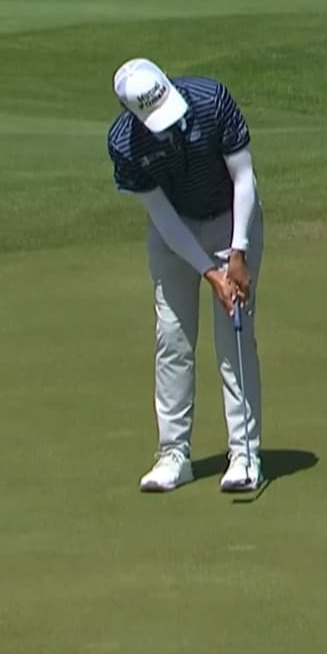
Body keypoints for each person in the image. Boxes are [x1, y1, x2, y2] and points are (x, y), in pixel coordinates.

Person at [107, 58, 265, 493]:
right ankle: (174, 455)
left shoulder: (211, 100)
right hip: (173, 234)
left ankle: (245, 454)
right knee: (173, 338)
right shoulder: (124, 145)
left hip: (230, 220)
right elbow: (163, 218)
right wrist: (210, 273)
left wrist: (237, 252)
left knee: (233, 334)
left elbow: (244, 176)